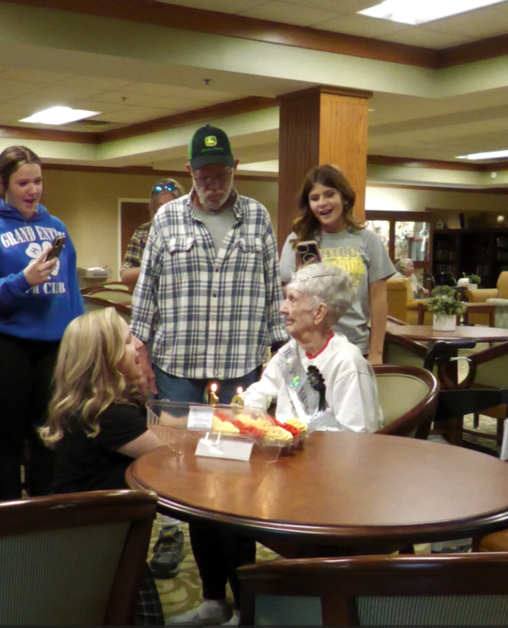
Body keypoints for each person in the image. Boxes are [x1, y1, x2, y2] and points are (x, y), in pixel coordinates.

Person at [131, 125, 285, 626]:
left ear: (234, 170)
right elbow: (147, 290)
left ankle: (247, 603)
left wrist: (284, 359)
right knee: (195, 492)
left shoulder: (257, 218)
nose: (213, 184)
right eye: (203, 175)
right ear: (189, 172)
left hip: (242, 374)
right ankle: (214, 598)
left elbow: (270, 295)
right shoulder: (168, 220)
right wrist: (139, 348)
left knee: (240, 489)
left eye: (221, 175)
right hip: (179, 374)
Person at [0, 145, 83, 501]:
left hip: (53, 347)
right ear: (3, 184)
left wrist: (79, 336)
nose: (33, 190)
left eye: (38, 182)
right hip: (6, 345)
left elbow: (70, 289)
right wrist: (22, 281)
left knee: (49, 435)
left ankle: (44, 514)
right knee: (7, 439)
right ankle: (8, 516)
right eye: (23, 183)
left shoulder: (56, 227)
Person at [41, 307, 165, 625]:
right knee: (144, 616)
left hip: (76, 528)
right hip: (96, 537)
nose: (137, 345)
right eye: (126, 341)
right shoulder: (109, 414)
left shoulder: (89, 404)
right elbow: (169, 457)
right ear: (106, 359)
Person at [121, 178, 189, 578]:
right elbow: (128, 272)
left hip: (196, 343)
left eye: (171, 201)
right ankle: (171, 529)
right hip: (158, 342)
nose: (165, 207)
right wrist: (152, 266)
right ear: (151, 207)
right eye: (158, 202)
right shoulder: (145, 233)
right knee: (165, 434)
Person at [242, 263, 382, 433]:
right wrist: (247, 411)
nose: (282, 309)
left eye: (292, 299)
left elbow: (357, 436)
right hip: (286, 453)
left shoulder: (347, 363)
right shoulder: (289, 352)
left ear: (319, 313)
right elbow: (261, 391)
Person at [279, 165, 395, 365]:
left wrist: (376, 352)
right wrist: (304, 277)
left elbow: (378, 300)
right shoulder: (297, 241)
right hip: (308, 346)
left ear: (344, 197)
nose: (322, 203)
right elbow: (288, 298)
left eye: (329, 194)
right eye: (314, 198)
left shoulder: (368, 240)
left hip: (355, 346)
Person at [120, 178, 185, 291]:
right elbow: (125, 275)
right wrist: (156, 267)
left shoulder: (192, 230)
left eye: (170, 205)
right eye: (160, 206)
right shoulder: (143, 232)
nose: (164, 210)